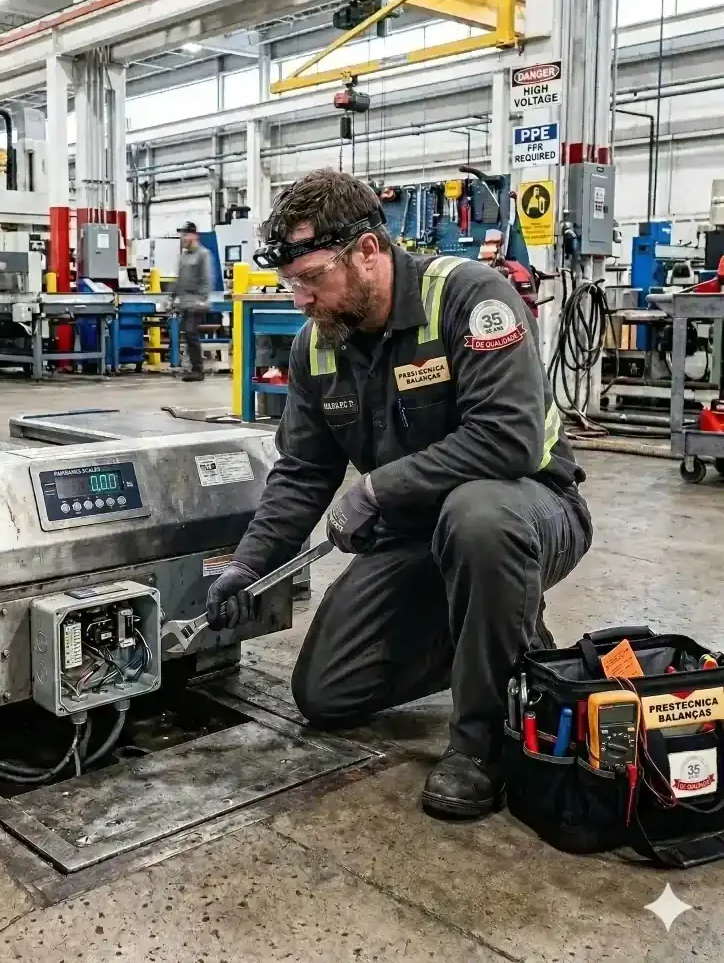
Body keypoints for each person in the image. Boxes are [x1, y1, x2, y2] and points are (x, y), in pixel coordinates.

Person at [205, 169, 592, 820]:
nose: (299, 299)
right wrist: (251, 563)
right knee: (325, 693)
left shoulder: (470, 298)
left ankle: (483, 745)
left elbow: (510, 441)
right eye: (289, 283)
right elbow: (303, 471)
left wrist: (380, 488)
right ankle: (497, 635)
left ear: (367, 252)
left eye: (312, 278)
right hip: (416, 535)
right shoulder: (317, 348)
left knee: (478, 519)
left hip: (529, 512)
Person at [173, 221, 212, 381]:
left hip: (196, 302)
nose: (183, 238)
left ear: (194, 235)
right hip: (184, 302)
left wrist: (202, 299)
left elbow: (207, 279)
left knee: (190, 333)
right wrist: (172, 297)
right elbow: (179, 279)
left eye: (185, 234)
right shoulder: (183, 255)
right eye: (181, 235)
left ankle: (198, 370)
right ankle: (192, 367)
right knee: (188, 335)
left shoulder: (203, 254)